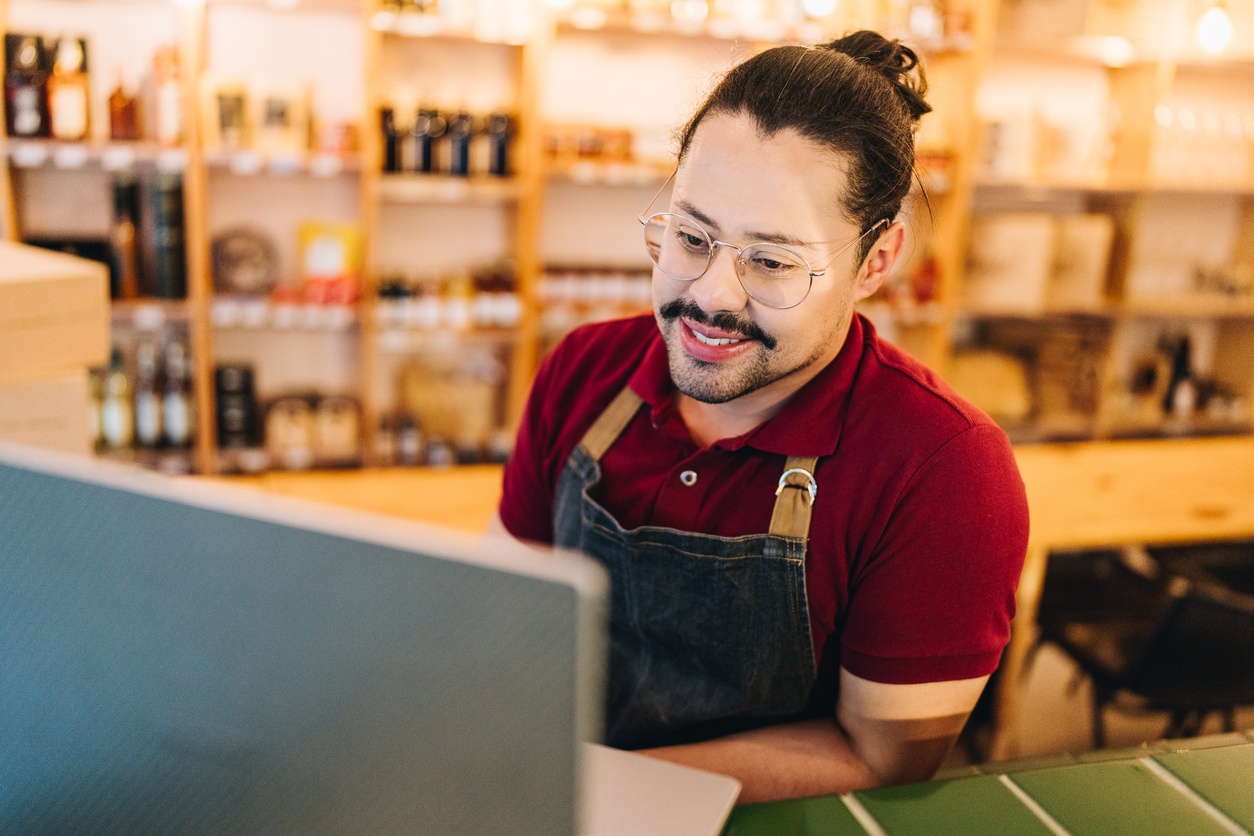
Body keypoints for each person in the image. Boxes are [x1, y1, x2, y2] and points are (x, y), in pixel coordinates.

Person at [491, 30, 1029, 803]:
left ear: (876, 261)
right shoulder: (584, 370)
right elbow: (504, 613)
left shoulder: (943, 469)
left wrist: (605, 788)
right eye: (690, 235)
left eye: (772, 260)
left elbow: (886, 759)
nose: (712, 295)